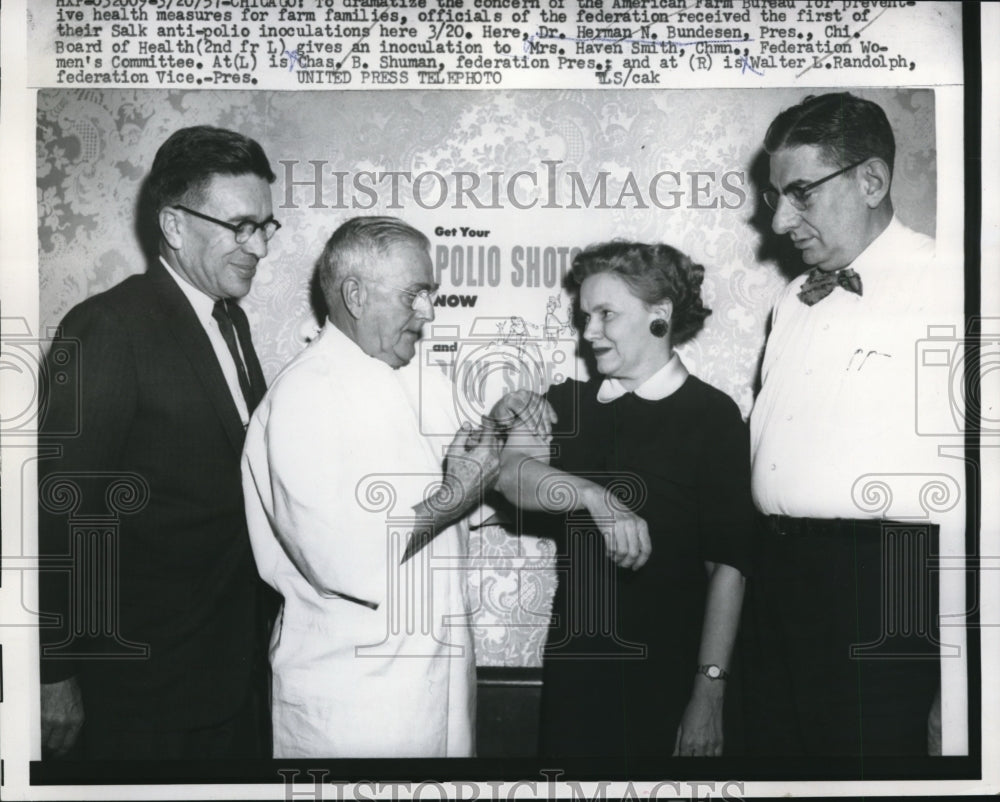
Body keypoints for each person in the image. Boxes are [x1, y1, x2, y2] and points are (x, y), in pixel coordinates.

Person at [38, 126, 279, 759]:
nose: (258, 246)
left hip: (226, 676)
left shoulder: (231, 320)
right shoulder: (109, 326)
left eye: (265, 227)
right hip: (138, 688)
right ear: (174, 225)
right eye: (241, 226)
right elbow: (60, 512)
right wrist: (52, 672)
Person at [242, 216, 508, 758]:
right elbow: (348, 559)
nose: (428, 312)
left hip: (440, 695)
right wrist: (458, 493)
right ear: (355, 295)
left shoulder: (417, 379)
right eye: (415, 294)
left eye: (431, 294)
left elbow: (492, 469)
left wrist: (511, 428)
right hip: (353, 711)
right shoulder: (304, 396)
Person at [747, 92, 963, 756]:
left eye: (801, 193)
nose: (781, 220)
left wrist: (957, 686)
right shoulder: (792, 299)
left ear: (871, 180)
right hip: (780, 578)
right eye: (774, 197)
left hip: (891, 582)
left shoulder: (953, 284)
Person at [495, 241, 754, 758]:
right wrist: (597, 498)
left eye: (605, 314)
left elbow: (729, 565)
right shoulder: (567, 402)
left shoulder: (712, 415)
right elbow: (510, 475)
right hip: (578, 672)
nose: (588, 333)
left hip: (673, 673)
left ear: (660, 315)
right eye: (585, 316)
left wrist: (709, 690)